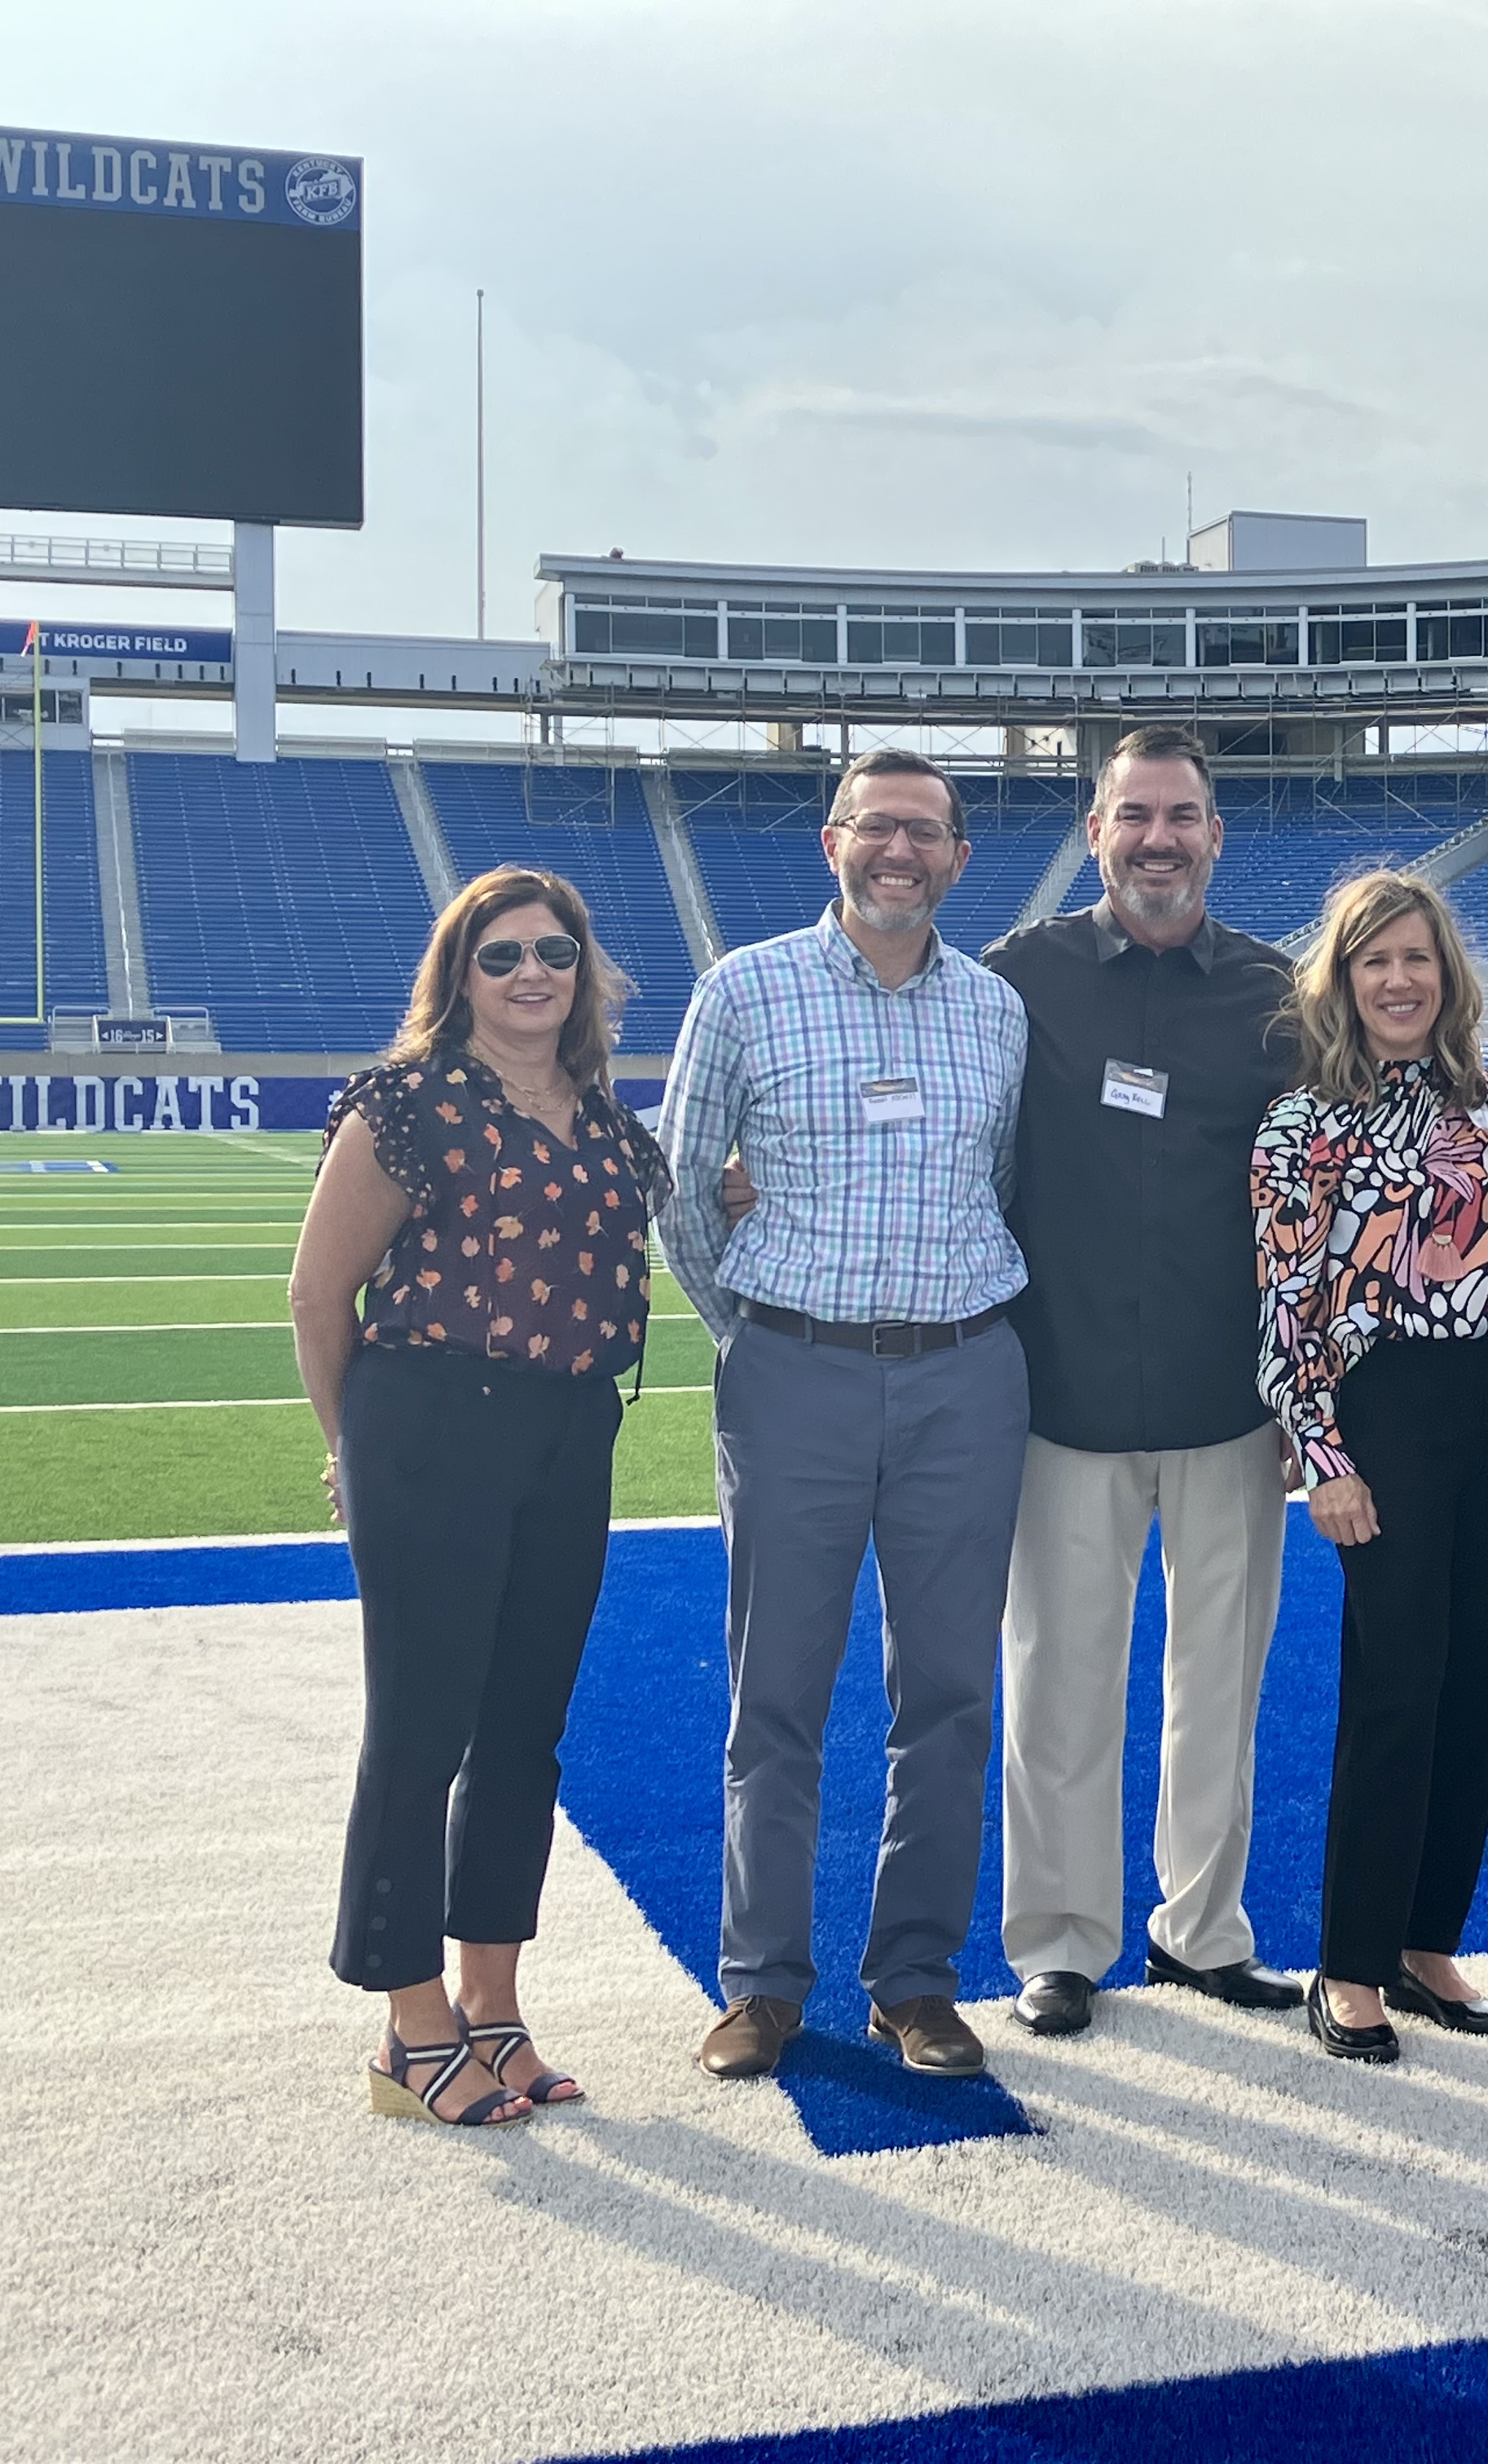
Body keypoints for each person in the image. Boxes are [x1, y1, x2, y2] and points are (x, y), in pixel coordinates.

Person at [656, 746, 1032, 2085]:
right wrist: (750, 1331)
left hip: (965, 1374)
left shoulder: (996, 1010)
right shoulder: (743, 989)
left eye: (925, 832)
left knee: (946, 1690)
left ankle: (915, 1978)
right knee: (780, 1690)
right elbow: (684, 1185)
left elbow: (994, 1181)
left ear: (957, 857)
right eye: (878, 826)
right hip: (794, 1371)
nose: (900, 851)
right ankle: (761, 1982)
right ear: (834, 841)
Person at [293, 866, 667, 2126]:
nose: (531, 975)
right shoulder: (408, 1103)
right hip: (432, 1425)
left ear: (585, 971)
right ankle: (409, 2025)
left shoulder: (609, 1122)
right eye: (500, 954)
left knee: (524, 1733)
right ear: (460, 974)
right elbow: (316, 1291)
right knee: (423, 1728)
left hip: (570, 1431)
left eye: (554, 952)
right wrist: (357, 1453)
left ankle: (493, 2008)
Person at [980, 723, 1305, 2034]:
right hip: (1061, 1398)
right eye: (1134, 817)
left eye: (1182, 817)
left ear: (1215, 836)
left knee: (1219, 1683)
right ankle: (1060, 1942)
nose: (1158, 839)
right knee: (1057, 1683)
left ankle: (1202, 1931)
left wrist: (1310, 1394)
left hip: (1232, 1404)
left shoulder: (1284, 991)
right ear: (1097, 831)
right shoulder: (1020, 975)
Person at [1252, 871, 1488, 2065]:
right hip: (1388, 1412)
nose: (1400, 980)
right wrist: (1327, 1458)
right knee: (1394, 1686)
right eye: (1376, 961)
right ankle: (1351, 1960)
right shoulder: (1300, 1125)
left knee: (1480, 1683)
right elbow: (1285, 1311)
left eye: (1418, 958)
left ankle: (1426, 1942)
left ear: (1448, 974)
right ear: (1344, 979)